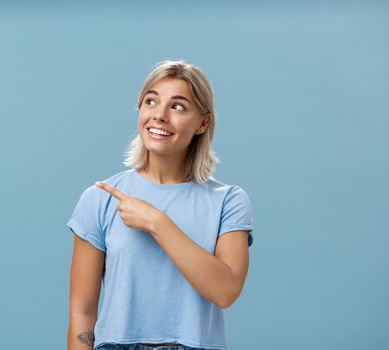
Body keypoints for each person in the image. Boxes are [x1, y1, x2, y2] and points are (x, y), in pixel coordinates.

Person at [66, 59, 254, 350]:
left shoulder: (228, 201)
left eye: (177, 106)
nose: (160, 115)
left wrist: (157, 223)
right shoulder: (101, 197)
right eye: (151, 102)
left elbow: (225, 291)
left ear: (203, 122)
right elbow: (82, 313)